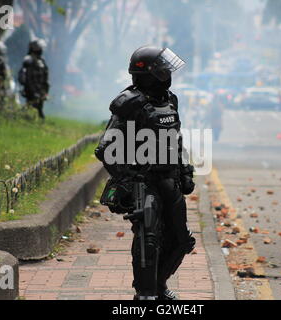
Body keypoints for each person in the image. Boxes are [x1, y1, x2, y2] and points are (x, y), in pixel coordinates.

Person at [95, 46, 196, 300]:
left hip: (169, 180)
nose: (168, 73)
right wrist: (127, 181)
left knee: (182, 240)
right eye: (163, 69)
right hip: (144, 182)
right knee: (148, 241)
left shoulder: (170, 100)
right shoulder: (131, 103)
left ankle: (159, 286)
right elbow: (106, 149)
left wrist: (184, 170)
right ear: (150, 73)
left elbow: (175, 139)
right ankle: (145, 294)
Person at [18, 39, 49, 119]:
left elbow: (45, 76)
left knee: (39, 108)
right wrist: (32, 91)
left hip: (39, 89)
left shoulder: (41, 61)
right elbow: (28, 78)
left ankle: (36, 121)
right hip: (31, 89)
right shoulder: (29, 60)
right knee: (31, 107)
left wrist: (45, 90)